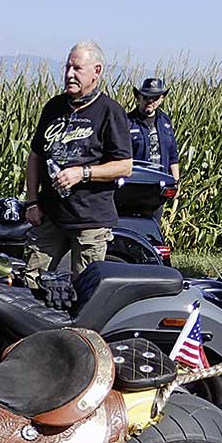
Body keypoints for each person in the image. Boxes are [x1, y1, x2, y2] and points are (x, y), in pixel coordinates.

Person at [24, 41, 133, 285]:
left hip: (90, 221)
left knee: (85, 289)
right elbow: (35, 156)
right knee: (30, 280)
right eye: (67, 67)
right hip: (51, 215)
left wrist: (82, 173)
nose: (69, 74)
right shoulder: (54, 107)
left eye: (77, 68)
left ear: (96, 71)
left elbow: (124, 166)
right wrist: (32, 202)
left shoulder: (110, 111)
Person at [127, 77, 180, 180]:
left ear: (161, 99)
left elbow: (173, 157)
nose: (150, 101)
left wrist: (176, 181)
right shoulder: (127, 122)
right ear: (139, 97)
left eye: (155, 98)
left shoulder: (165, 121)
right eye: (146, 97)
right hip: (136, 181)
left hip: (161, 180)